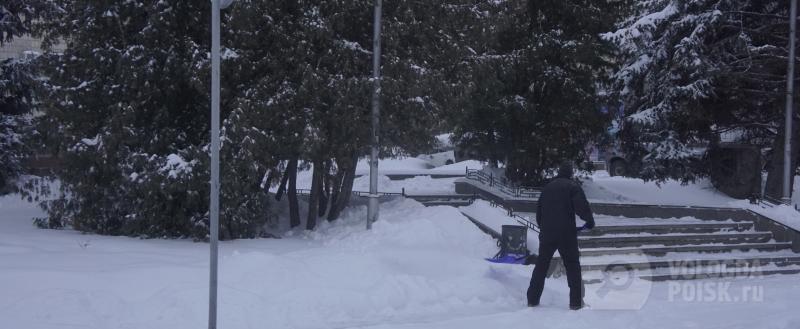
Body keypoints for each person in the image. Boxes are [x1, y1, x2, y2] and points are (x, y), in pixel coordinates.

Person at [527, 162, 595, 310]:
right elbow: (581, 206)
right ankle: (576, 303)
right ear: (570, 173)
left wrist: (545, 228)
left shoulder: (547, 188)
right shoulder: (572, 187)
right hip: (566, 234)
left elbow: (539, 213)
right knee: (572, 266)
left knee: (541, 266)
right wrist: (589, 221)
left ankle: (532, 299)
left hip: (547, 234)